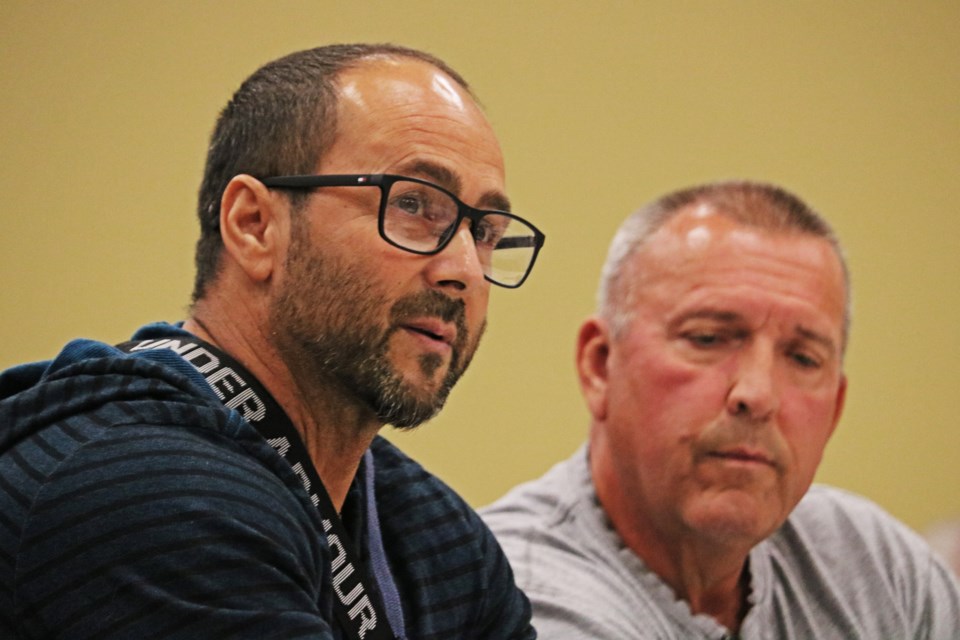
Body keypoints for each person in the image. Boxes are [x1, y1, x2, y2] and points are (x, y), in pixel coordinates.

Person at [0, 44, 545, 640]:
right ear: (254, 225)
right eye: (414, 204)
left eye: (485, 230)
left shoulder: (434, 537)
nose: (464, 269)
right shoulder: (143, 492)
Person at [481, 180, 960, 638]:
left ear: (834, 410)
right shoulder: (505, 595)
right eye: (708, 338)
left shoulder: (876, 567)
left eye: (802, 358)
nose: (758, 395)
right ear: (601, 366)